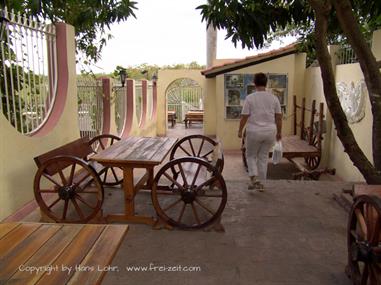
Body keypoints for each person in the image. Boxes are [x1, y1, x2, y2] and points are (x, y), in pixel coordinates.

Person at [238, 73, 282, 191]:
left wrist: (239, 130)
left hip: (254, 132)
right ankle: (261, 184)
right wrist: (279, 132)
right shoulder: (274, 98)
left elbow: (244, 116)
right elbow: (278, 117)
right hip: (270, 132)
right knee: (263, 157)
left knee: (251, 155)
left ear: (254, 83)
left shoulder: (250, 98)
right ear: (266, 83)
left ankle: (254, 178)